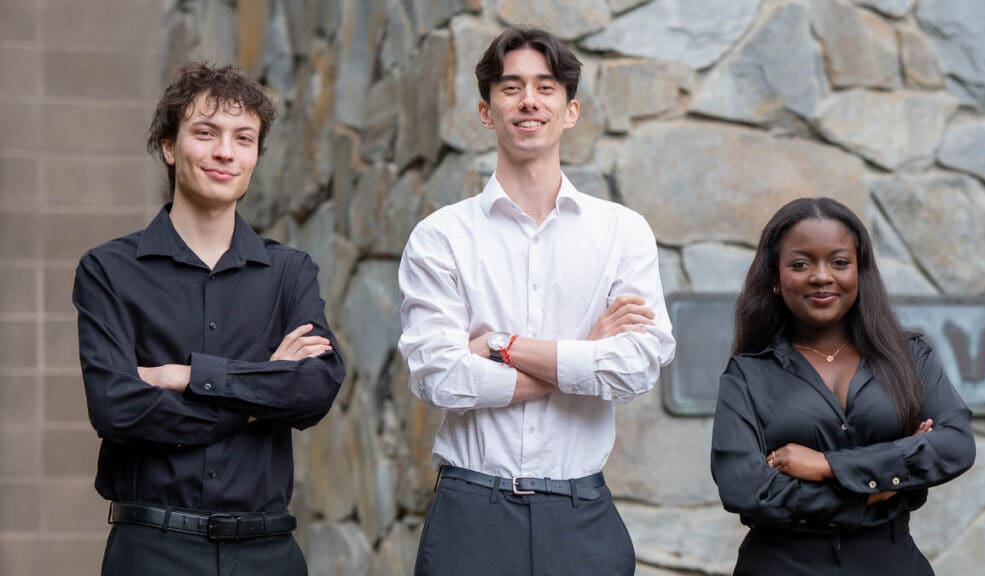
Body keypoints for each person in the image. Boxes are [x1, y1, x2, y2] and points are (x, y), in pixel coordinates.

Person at [398, 27, 676, 575]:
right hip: (471, 511)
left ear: (570, 111)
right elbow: (438, 377)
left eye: (546, 88)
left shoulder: (623, 232)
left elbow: (637, 367)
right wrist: (582, 356)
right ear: (486, 111)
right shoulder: (441, 237)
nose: (529, 100)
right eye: (511, 88)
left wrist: (500, 345)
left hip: (581, 512)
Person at [73, 62, 345, 575]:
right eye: (206, 133)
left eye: (244, 138)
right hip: (151, 550)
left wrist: (188, 377)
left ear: (255, 158)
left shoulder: (289, 273)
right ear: (169, 147)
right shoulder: (108, 270)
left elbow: (315, 388)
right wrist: (257, 399)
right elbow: (116, 407)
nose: (225, 152)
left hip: (268, 553)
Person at [710, 197, 975, 575]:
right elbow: (744, 489)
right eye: (800, 264)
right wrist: (879, 490)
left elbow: (955, 444)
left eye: (839, 262)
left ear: (860, 272)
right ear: (775, 277)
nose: (821, 276)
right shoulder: (748, 374)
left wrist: (827, 466)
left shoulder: (909, 356)